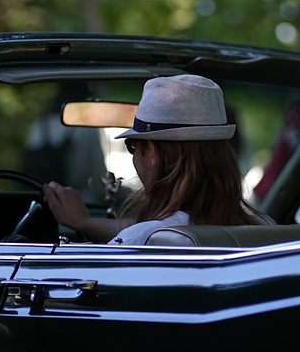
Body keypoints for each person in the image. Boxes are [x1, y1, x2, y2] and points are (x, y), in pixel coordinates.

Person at [42, 74, 275, 245]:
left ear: (151, 152)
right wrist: (84, 222)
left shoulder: (142, 242)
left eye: (133, 146)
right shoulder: (265, 229)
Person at [23, 82, 108, 205]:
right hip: (79, 200)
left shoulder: (40, 124)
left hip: (42, 199)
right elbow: (98, 171)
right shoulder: (87, 128)